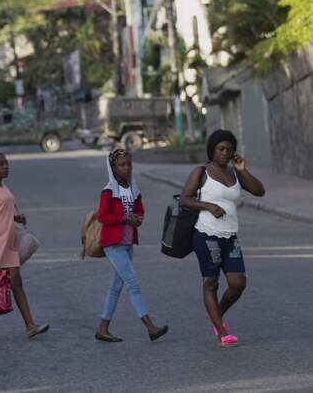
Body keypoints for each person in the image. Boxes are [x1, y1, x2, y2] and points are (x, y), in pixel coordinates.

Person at [180, 130, 265, 348]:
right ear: (212, 150)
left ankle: (216, 314)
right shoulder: (201, 172)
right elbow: (184, 199)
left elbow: (259, 191)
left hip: (230, 236)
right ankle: (221, 332)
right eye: (221, 149)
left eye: (229, 149)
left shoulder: (235, 173)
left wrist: (243, 170)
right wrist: (208, 205)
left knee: (238, 283)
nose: (225, 153)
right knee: (211, 282)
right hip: (206, 235)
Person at [0, 152, 49, 341]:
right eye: (1, 164)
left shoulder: (4, 187)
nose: (6, 167)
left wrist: (17, 218)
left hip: (8, 244)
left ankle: (31, 326)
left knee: (16, 282)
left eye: (6, 163)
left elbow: (1, 212)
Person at [95, 149, 169, 342]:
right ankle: (150, 327)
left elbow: (139, 210)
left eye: (129, 164)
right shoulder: (109, 191)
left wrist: (138, 219)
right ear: (113, 167)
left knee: (116, 287)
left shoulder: (133, 188)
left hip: (127, 243)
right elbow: (102, 216)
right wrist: (124, 218)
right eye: (122, 164)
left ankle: (102, 328)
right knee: (133, 285)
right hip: (113, 244)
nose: (126, 168)